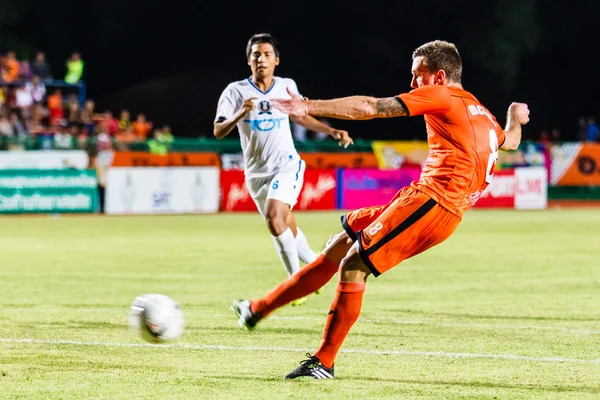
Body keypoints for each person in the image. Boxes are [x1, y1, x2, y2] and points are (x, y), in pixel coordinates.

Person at [232, 40, 530, 379]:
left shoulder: (442, 95)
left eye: (418, 76)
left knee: (354, 265)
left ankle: (324, 361)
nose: (413, 84)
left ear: (440, 76)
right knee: (337, 245)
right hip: (422, 200)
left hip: (433, 203)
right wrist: (514, 116)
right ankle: (257, 309)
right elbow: (512, 140)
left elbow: (372, 107)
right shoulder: (482, 113)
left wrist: (306, 105)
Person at [214, 33, 353, 305]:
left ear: (276, 60)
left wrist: (331, 130)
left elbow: (300, 115)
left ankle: (295, 284)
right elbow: (218, 130)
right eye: (256, 54)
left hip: (287, 165)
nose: (261, 59)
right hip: (256, 174)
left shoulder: (286, 86)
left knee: (275, 217)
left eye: (266, 54)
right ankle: (315, 265)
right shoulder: (235, 91)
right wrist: (241, 113)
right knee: (285, 225)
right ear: (248, 60)